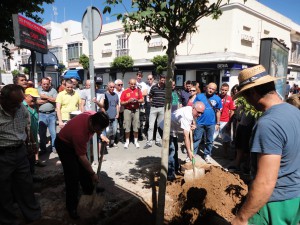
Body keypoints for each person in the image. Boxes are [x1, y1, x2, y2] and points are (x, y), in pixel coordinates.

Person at [231, 65, 300, 225]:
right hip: (295, 198)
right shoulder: (295, 113)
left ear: (253, 93)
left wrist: (241, 218)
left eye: (246, 97)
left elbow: (266, 181)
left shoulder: (268, 124)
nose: (247, 101)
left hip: (274, 203)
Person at [55, 111, 109, 219]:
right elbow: (82, 157)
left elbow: (98, 128)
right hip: (64, 145)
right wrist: (93, 174)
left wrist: (101, 135)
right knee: (72, 176)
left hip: (74, 142)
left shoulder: (93, 116)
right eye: (98, 129)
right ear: (92, 124)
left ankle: (89, 190)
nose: (99, 131)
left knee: (84, 170)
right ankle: (72, 207)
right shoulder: (80, 133)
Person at [0, 84, 41, 225]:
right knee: (3, 189)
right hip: (2, 154)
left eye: (19, 102)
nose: (17, 106)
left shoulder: (21, 108)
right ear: (3, 99)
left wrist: (31, 142)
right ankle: (8, 220)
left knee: (25, 184)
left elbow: (26, 126)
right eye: (14, 103)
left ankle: (32, 215)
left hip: (20, 151)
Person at [158, 101, 205, 180]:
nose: (200, 115)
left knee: (175, 149)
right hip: (165, 129)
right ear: (194, 108)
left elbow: (193, 120)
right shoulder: (187, 116)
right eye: (199, 112)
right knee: (171, 151)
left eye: (201, 113)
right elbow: (186, 136)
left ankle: (175, 169)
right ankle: (170, 174)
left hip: (173, 130)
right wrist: (189, 151)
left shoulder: (191, 110)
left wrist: (194, 125)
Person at [192, 82, 222, 164]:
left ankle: (207, 154)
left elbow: (218, 111)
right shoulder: (199, 96)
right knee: (196, 139)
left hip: (211, 123)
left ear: (215, 90)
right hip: (199, 122)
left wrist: (218, 123)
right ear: (206, 88)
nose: (211, 90)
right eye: (210, 88)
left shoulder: (217, 99)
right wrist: (193, 121)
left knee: (209, 140)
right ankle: (192, 154)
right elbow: (193, 108)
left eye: (213, 89)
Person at [23, 88, 45, 172]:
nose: (34, 99)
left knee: (35, 146)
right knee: (29, 151)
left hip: (35, 130)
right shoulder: (22, 107)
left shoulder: (35, 106)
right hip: (27, 134)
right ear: (26, 96)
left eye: (35, 97)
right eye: (32, 97)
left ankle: (36, 161)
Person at [213, 83, 235, 157]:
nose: (223, 91)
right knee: (212, 137)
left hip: (225, 121)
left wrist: (229, 122)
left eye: (225, 90)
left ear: (228, 90)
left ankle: (225, 153)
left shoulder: (230, 99)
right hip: (216, 120)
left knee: (226, 138)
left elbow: (232, 111)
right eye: (222, 90)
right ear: (220, 89)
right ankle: (209, 153)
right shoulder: (216, 97)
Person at [120, 79, 144, 149]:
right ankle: (127, 141)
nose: (133, 85)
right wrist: (128, 101)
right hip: (127, 110)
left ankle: (136, 141)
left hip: (136, 110)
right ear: (129, 83)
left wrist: (137, 100)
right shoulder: (125, 91)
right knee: (127, 125)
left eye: (134, 84)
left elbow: (142, 100)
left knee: (136, 125)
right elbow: (121, 102)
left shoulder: (138, 91)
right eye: (131, 84)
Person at [144, 74, 166, 149]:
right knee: (151, 126)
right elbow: (150, 96)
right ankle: (149, 142)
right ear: (159, 79)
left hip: (162, 109)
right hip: (153, 108)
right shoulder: (154, 87)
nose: (163, 81)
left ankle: (158, 141)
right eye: (162, 80)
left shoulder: (166, 88)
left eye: (164, 80)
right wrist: (151, 103)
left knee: (159, 126)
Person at [37, 77, 58, 154]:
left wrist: (46, 97)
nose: (46, 85)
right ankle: (43, 149)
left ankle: (54, 147)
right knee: (42, 134)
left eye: (47, 84)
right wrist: (49, 99)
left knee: (53, 133)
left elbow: (56, 100)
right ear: (41, 84)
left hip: (52, 114)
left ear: (49, 83)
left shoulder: (53, 90)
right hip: (41, 114)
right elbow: (36, 101)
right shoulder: (37, 90)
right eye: (44, 84)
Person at [98, 81, 119, 148]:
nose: (112, 88)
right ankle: (107, 143)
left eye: (113, 87)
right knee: (107, 131)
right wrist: (105, 114)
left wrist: (117, 113)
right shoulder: (104, 95)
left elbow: (117, 105)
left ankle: (112, 142)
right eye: (111, 87)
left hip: (114, 116)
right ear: (108, 87)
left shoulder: (115, 95)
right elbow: (102, 106)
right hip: (106, 116)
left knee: (114, 130)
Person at [114, 79, 125, 143]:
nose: (120, 86)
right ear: (115, 85)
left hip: (122, 110)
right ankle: (114, 139)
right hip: (115, 111)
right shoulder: (113, 91)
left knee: (122, 125)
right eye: (119, 85)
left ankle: (122, 138)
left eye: (121, 84)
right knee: (114, 126)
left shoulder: (124, 90)